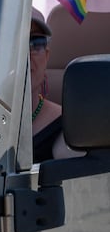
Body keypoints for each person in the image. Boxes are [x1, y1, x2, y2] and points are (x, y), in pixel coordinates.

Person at [28, 12, 74, 162]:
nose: (25, 54)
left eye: (35, 42)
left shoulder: (68, 130)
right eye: (11, 41)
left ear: (46, 56)